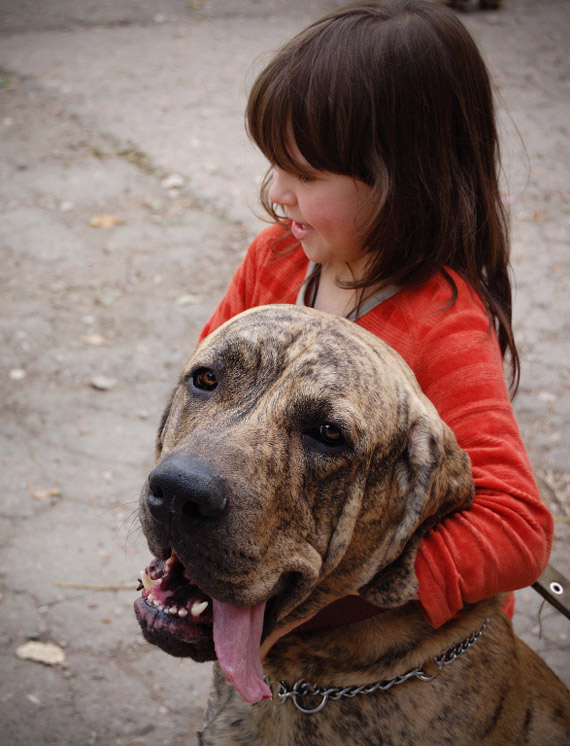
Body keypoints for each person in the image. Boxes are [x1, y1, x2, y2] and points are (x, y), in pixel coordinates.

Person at [197, 0, 553, 629]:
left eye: (303, 173)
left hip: (387, 649)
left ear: (403, 179)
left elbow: (515, 530)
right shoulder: (275, 257)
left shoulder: (445, 327)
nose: (278, 193)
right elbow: (207, 386)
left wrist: (355, 588)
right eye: (274, 164)